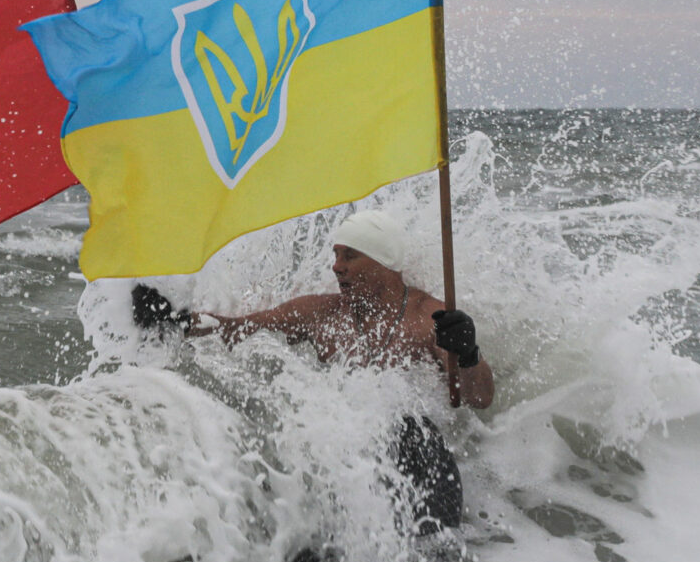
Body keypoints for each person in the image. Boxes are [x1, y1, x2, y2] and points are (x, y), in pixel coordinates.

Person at [129, 207, 493, 533]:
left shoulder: (429, 318)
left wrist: (468, 352)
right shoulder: (320, 313)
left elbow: (479, 398)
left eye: (350, 256)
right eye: (336, 255)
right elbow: (238, 327)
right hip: (346, 455)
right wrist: (174, 320)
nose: (336, 266)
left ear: (383, 262)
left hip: (418, 456)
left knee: (410, 430)